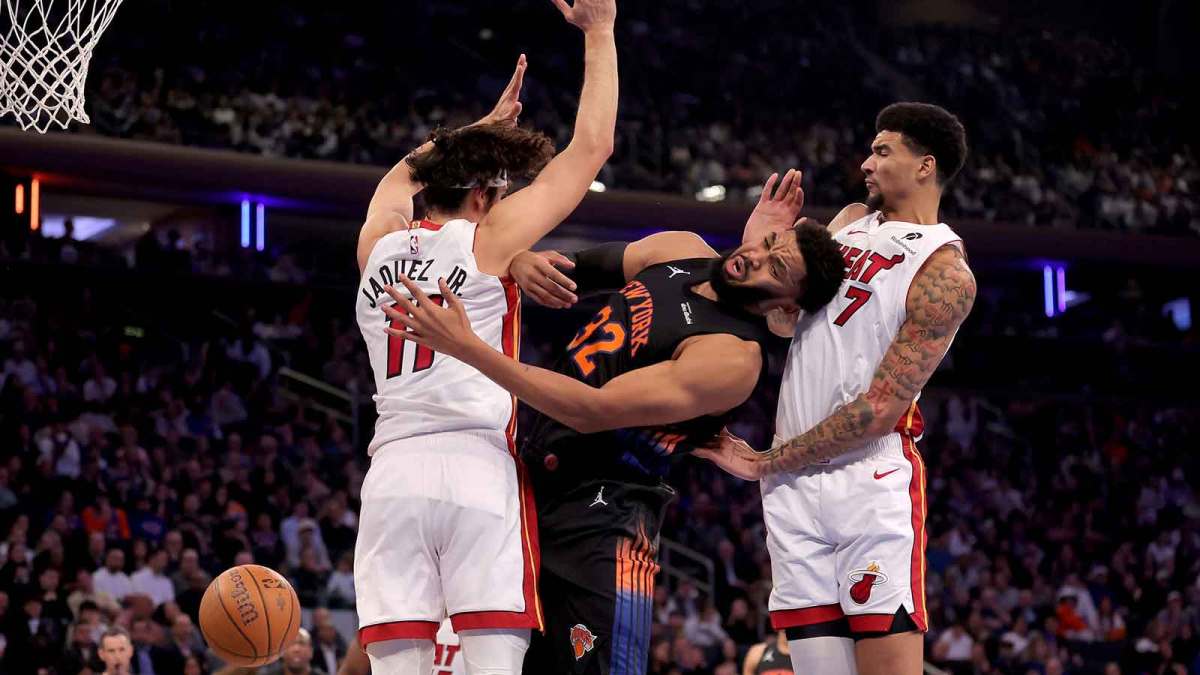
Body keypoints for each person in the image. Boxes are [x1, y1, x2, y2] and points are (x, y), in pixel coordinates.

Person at [381, 169, 846, 673]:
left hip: (603, 519)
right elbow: (569, 271)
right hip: (524, 479)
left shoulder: (732, 359)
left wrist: (466, 347)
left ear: (786, 308)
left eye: (776, 269)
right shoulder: (679, 248)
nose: (756, 256)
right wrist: (521, 260)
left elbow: (589, 408)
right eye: (769, 243)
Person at [351, 0, 618, 672]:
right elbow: (592, 148)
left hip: (391, 476)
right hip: (474, 465)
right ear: (480, 197)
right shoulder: (486, 241)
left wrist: (475, 133)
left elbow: (400, 175)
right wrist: (601, 33)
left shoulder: (376, 245)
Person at [698, 102, 977, 675]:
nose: (866, 163)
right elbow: (784, 323)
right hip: (791, 486)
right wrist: (759, 243)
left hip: (867, 483)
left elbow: (878, 410)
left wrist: (767, 461)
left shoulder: (945, 271)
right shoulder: (848, 220)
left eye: (881, 151)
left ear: (925, 166)